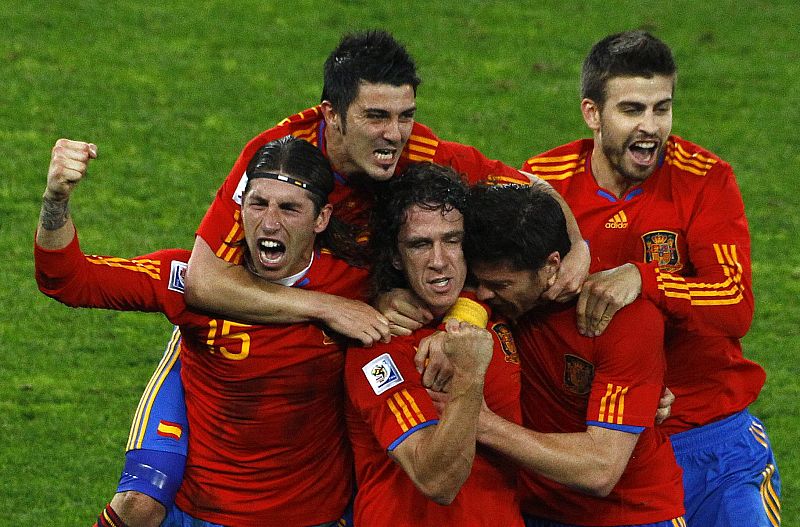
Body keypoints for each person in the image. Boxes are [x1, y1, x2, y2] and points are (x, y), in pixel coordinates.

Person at [87, 29, 591, 527]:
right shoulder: (275, 158)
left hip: (333, 349)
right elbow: (204, 282)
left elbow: (534, 193)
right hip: (228, 332)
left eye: (405, 116)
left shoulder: (421, 154)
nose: (394, 134)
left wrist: (578, 251)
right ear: (332, 115)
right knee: (141, 506)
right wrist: (330, 307)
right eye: (376, 116)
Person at [36, 136, 366, 527]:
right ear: (239, 207)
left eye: (290, 208)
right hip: (199, 508)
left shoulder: (358, 283)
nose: (270, 222)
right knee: (137, 506)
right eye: (257, 203)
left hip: (310, 514)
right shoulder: (193, 282)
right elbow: (68, 279)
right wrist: (55, 201)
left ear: (321, 219)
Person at [520, 30, 781, 526]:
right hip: (600, 436)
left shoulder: (705, 178)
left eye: (662, 109)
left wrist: (645, 277)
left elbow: (735, 303)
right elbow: (509, 297)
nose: (650, 128)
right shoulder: (544, 181)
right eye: (632, 110)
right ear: (592, 113)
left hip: (706, 433)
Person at [462, 183, 685, 526]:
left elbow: (601, 468)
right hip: (532, 510)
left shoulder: (623, 320)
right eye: (479, 281)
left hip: (628, 516)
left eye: (501, 285)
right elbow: (526, 179)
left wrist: (481, 424)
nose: (483, 295)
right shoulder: (508, 300)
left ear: (552, 266)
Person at [344, 163, 524, 526]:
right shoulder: (376, 348)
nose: (439, 261)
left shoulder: (498, 306)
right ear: (395, 257)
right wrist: (470, 373)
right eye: (420, 244)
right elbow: (436, 481)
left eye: (452, 240)